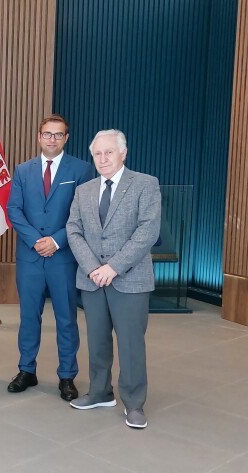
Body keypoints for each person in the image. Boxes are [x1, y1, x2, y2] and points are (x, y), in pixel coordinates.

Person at [66, 129, 160, 429]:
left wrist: (113, 267)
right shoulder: (84, 190)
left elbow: (147, 232)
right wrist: (94, 266)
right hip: (92, 278)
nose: (103, 158)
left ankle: (134, 403)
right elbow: (73, 230)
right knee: (97, 341)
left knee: (131, 343)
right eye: (97, 154)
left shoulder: (145, 184)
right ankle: (99, 391)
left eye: (109, 152)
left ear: (123, 153)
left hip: (130, 280)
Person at [6, 114, 92, 401]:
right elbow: (14, 210)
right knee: (29, 317)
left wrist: (56, 241)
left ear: (66, 138)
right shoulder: (23, 170)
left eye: (58, 134)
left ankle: (67, 376)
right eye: (47, 134)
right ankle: (26, 370)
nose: (52, 139)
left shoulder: (81, 169)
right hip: (30, 258)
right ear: (39, 136)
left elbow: (82, 215)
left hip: (63, 258)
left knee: (67, 318)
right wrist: (36, 241)